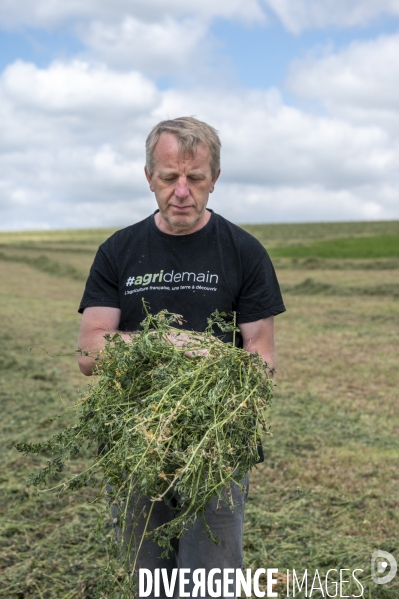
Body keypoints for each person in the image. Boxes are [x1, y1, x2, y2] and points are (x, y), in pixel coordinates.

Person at [77, 116, 285, 598]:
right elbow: (90, 351)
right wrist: (167, 342)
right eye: (170, 177)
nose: (182, 191)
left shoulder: (244, 252)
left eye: (195, 178)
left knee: (211, 584)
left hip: (215, 449)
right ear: (149, 177)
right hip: (134, 447)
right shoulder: (119, 251)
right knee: (148, 582)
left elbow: (262, 356)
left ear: (214, 178)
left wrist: (220, 369)